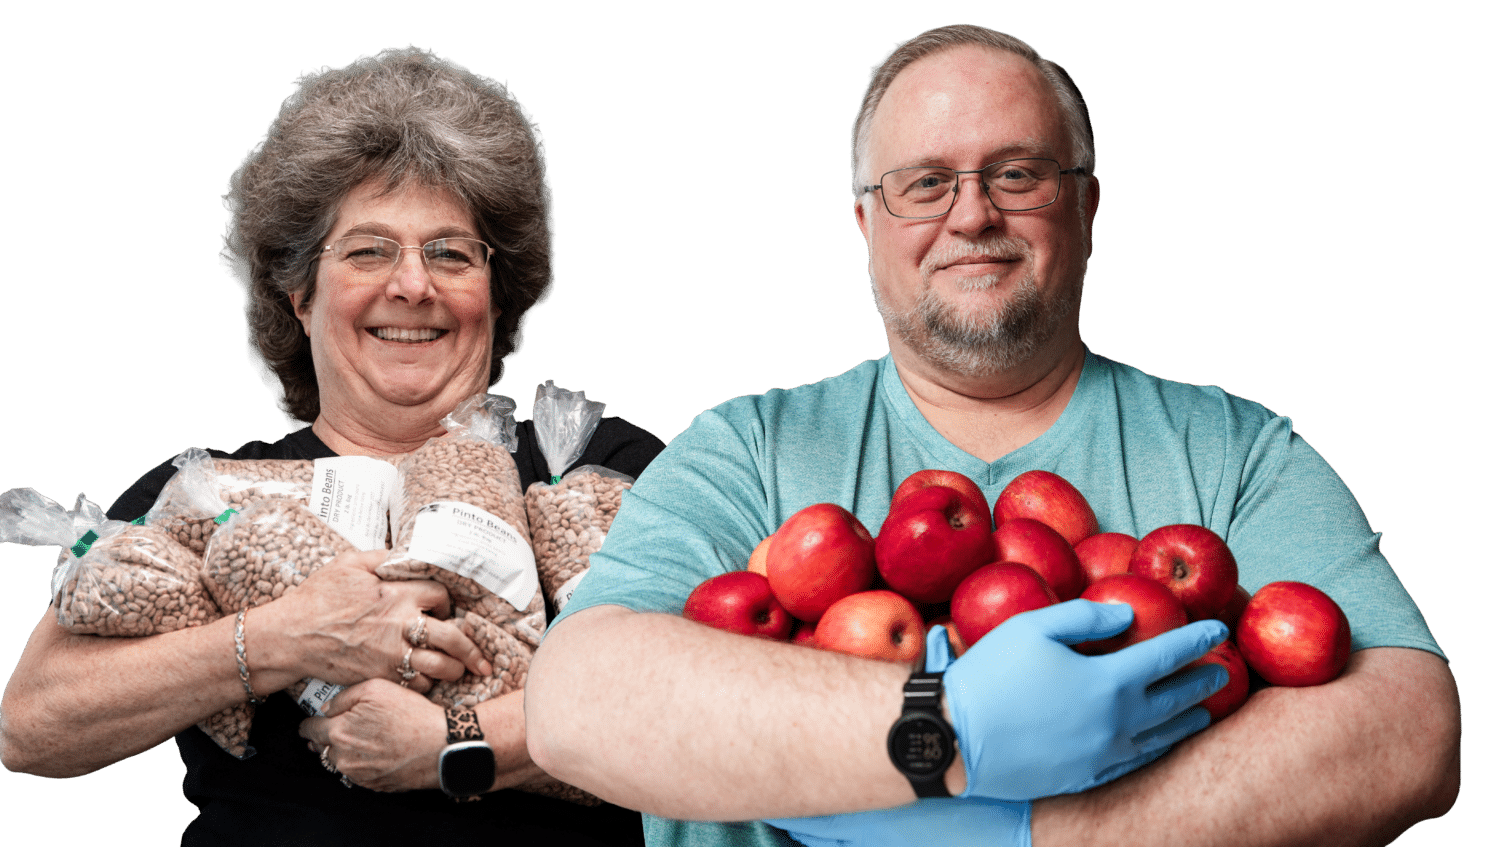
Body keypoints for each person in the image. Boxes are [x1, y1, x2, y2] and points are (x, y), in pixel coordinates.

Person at [523, 23, 1461, 847]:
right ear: (867, 224)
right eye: (925, 183)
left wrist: (1034, 834)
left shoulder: (1233, 455)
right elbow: (576, 702)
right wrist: (947, 726)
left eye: (1016, 174)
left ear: (1085, 208)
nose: (971, 214)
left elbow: (1411, 732)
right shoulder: (748, 450)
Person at [0, 49, 662, 846]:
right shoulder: (211, 492)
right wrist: (284, 638)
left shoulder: (591, 465)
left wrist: (458, 744)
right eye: (367, 250)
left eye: (451, 253)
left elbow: (711, 693)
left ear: (496, 294)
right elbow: (32, 726)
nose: (412, 285)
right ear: (300, 295)